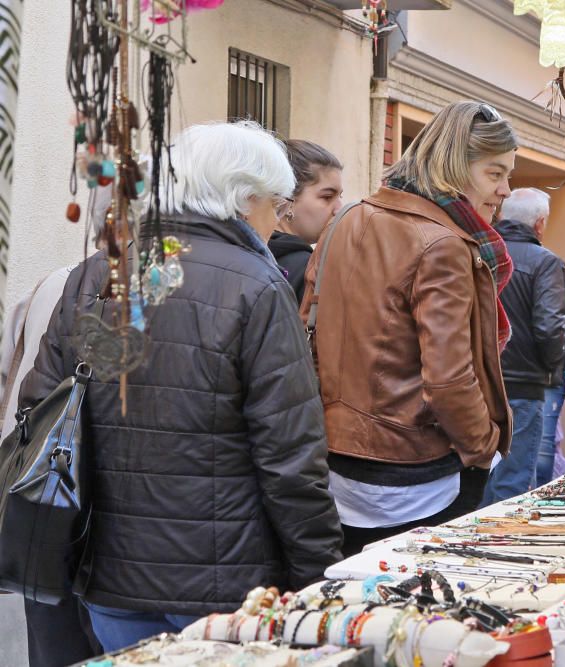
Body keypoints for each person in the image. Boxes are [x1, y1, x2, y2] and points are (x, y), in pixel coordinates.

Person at [18, 121, 344, 652]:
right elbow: (290, 458)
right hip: (224, 586)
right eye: (275, 205)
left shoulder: (96, 274)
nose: (276, 221)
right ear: (243, 200)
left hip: (109, 575)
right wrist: (318, 573)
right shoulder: (258, 287)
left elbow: (40, 410)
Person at [302, 101, 515, 555]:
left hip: (336, 456)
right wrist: (485, 449)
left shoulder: (346, 218)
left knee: (358, 606)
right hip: (414, 472)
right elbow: (450, 378)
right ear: (456, 164)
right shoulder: (443, 243)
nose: (505, 190)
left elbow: (309, 328)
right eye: (495, 174)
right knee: (419, 608)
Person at [0, 190, 112, 666]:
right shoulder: (126, 295)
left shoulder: (52, 283)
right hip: (95, 501)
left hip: (37, 489)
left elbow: (12, 381)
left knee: (49, 634)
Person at [481, 188, 565, 504]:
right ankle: (495, 549)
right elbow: (549, 326)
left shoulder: (478, 252)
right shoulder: (544, 262)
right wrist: (552, 368)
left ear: (501, 216)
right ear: (540, 224)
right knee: (512, 482)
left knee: (479, 478)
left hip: (478, 381)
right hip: (523, 385)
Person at [535, 216, 565, 488]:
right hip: (542, 374)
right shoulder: (492, 256)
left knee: (543, 449)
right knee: (541, 450)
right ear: (541, 223)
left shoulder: (551, 263)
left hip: (545, 374)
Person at [268, 139, 344, 303]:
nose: (338, 209)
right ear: (287, 199)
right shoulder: (308, 270)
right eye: (327, 197)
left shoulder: (242, 253)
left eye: (340, 197)